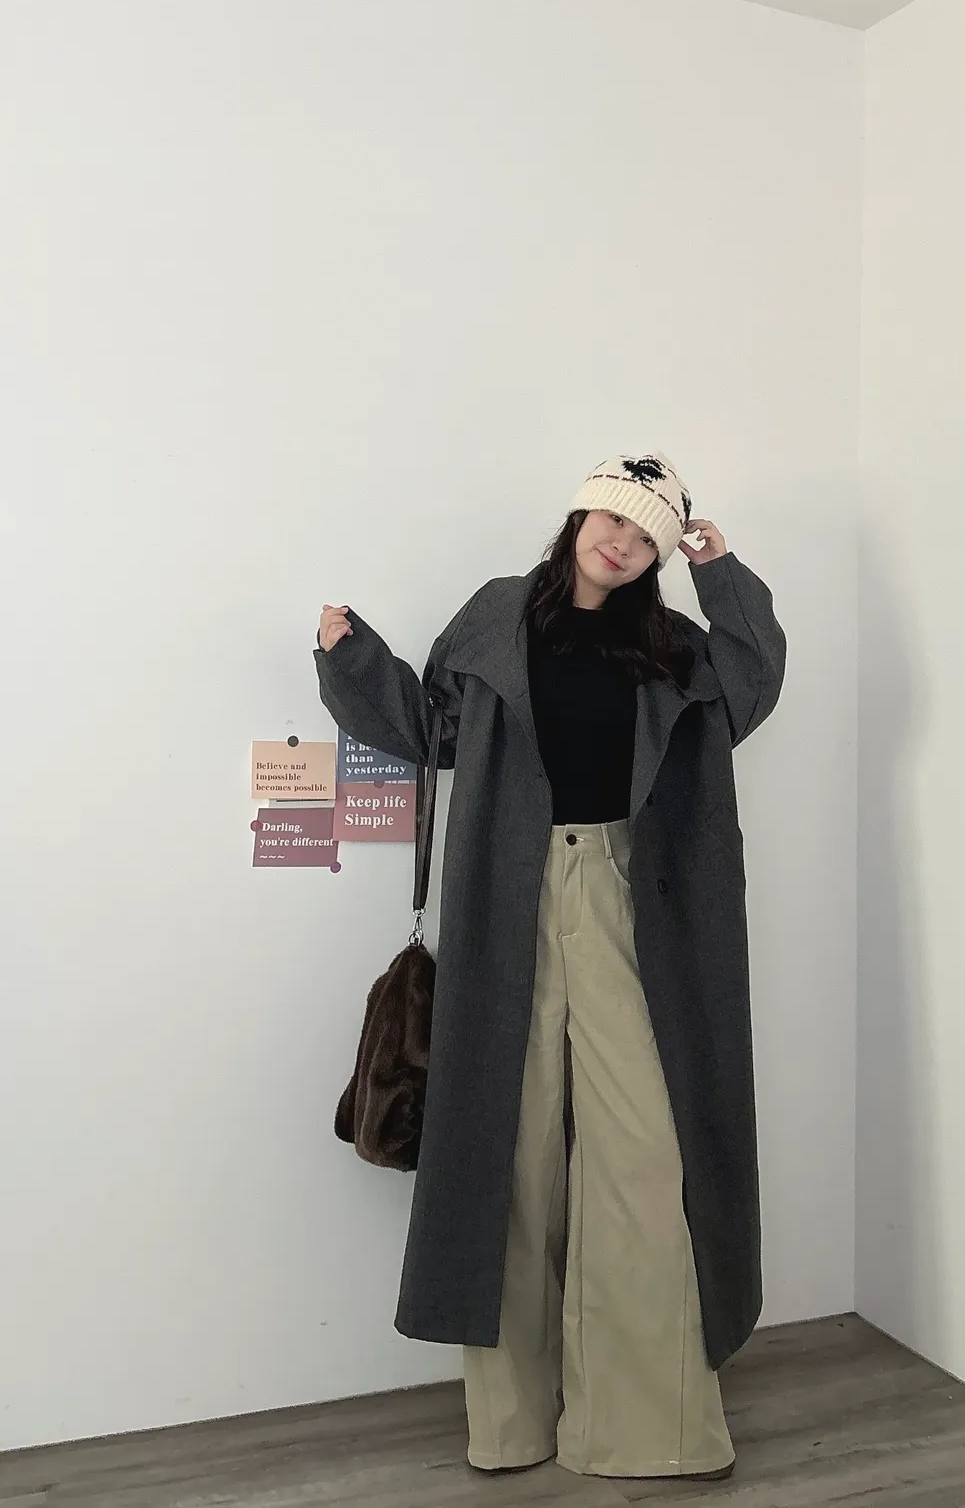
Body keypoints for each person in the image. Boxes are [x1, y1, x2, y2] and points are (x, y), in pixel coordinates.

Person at [315, 453, 785, 1480]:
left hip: (633, 897)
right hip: (510, 897)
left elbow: (751, 688)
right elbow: (428, 730)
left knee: (645, 1161)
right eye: (614, 519)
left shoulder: (673, 644)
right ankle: (512, 1426)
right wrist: (352, 661)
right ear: (580, 515)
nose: (624, 543)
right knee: (511, 1157)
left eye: (647, 537)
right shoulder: (496, 618)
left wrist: (722, 573)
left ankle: (648, 1428)